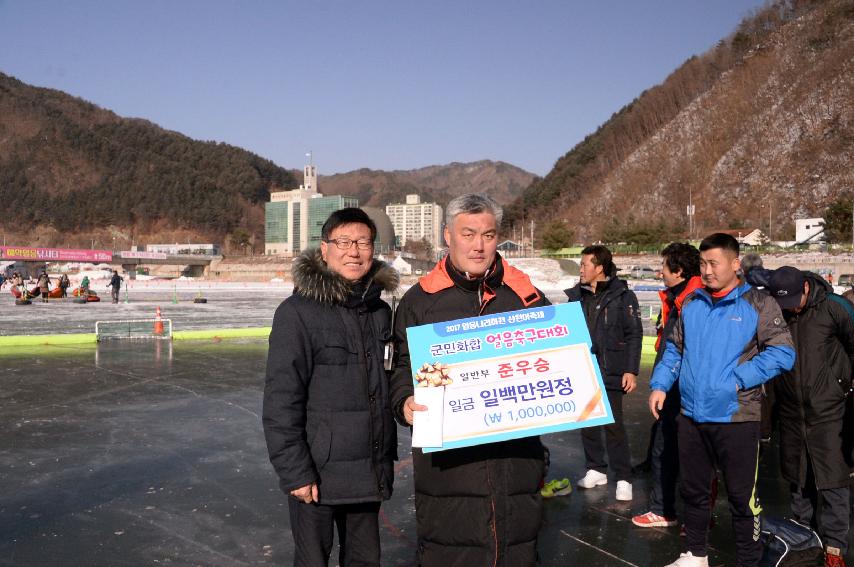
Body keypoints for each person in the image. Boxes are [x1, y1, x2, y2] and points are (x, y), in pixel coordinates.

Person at [389, 194, 549, 566]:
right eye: (469, 233)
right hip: (450, 471)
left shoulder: (527, 297)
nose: (479, 245)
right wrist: (404, 402)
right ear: (448, 236)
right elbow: (401, 369)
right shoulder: (420, 301)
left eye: (489, 235)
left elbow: (558, 359)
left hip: (516, 463)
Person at [263, 208, 399, 567]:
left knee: (365, 560)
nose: (354, 251)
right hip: (317, 475)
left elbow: (392, 378)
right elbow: (281, 400)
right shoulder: (297, 313)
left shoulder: (380, 313)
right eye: (343, 242)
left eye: (364, 242)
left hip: (367, 470)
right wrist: (295, 471)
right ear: (324, 249)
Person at [649, 233, 795, 567]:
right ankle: (696, 554)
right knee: (694, 491)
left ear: (735, 264)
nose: (707, 270)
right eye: (702, 264)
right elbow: (675, 348)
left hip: (736, 417)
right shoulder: (692, 303)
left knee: (743, 499)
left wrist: (738, 380)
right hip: (691, 415)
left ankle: (748, 560)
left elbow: (783, 353)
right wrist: (660, 384)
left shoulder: (758, 303)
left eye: (713, 263)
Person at [767, 267, 853, 566]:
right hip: (791, 412)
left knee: (832, 481)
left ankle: (835, 548)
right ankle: (801, 539)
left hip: (830, 409)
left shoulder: (834, 307)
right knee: (797, 478)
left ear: (806, 286)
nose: (791, 306)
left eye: (794, 299)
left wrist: (844, 385)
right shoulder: (777, 311)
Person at [632, 242, 703, 528]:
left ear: (679, 270)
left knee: (673, 451)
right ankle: (687, 515)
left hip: (681, 388)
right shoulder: (681, 298)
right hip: (675, 384)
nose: (660, 272)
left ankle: (665, 509)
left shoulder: (691, 301)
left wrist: (664, 384)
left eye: (663, 267)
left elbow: (679, 349)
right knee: (682, 453)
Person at [564, 244, 642, 502]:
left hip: (611, 367)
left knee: (613, 425)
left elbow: (634, 334)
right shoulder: (576, 296)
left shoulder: (623, 296)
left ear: (599, 267)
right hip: (582, 367)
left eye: (585, 264)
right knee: (587, 422)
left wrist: (631, 370)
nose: (581, 269)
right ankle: (595, 468)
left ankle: (623, 477)